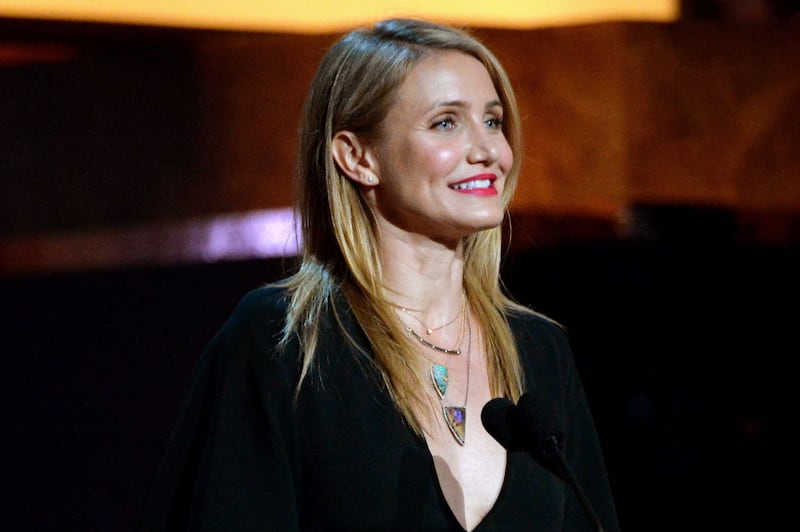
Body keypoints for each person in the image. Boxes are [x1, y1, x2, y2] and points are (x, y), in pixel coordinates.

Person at [139, 18, 619, 531]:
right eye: (445, 123)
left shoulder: (540, 351)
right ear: (357, 156)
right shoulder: (287, 343)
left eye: (493, 121)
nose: (489, 152)